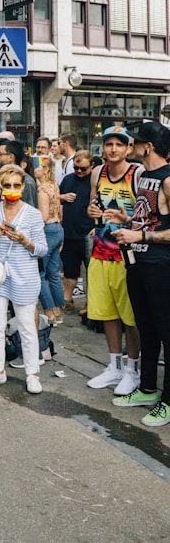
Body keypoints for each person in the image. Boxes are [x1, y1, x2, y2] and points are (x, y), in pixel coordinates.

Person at [112, 122, 170, 426]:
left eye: (135, 142)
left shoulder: (168, 179)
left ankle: (168, 401)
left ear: (149, 147)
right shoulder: (145, 176)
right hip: (138, 265)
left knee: (166, 332)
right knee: (145, 328)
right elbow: (149, 217)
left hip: (162, 267)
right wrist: (127, 220)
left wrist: (142, 237)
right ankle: (147, 388)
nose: (130, 146)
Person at [0, 164, 48, 394]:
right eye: (7, 185)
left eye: (16, 185)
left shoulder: (33, 214)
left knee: (27, 326)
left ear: (23, 186)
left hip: (25, 276)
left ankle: (32, 373)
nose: (11, 190)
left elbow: (43, 249)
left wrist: (25, 241)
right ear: (0, 185)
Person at [84, 127, 142, 395]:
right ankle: (114, 366)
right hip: (101, 250)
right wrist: (92, 211)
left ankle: (133, 370)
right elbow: (91, 207)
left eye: (120, 144)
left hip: (128, 255)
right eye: (109, 144)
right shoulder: (98, 172)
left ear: (129, 148)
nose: (114, 148)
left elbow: (148, 219)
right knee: (106, 312)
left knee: (130, 316)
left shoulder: (138, 174)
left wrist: (126, 220)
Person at [59, 151, 94, 314]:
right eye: (76, 168)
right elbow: (56, 197)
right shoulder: (68, 179)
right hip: (69, 231)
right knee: (69, 268)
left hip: (88, 231)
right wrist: (63, 197)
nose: (79, 171)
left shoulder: (95, 181)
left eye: (83, 169)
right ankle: (67, 299)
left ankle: (91, 302)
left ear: (91, 166)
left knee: (91, 270)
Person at [35, 157, 64, 324]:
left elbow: (43, 217)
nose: (35, 170)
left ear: (45, 170)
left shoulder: (43, 191)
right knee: (53, 273)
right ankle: (58, 310)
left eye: (37, 167)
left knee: (40, 274)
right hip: (58, 228)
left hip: (47, 231)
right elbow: (59, 210)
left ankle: (50, 311)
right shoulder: (54, 186)